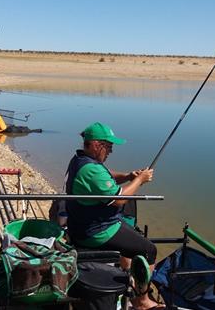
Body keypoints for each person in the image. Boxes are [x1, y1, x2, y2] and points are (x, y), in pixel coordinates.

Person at [65, 122, 164, 310]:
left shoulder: (80, 160)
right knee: (148, 249)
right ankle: (141, 302)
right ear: (96, 145)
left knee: (133, 236)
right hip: (95, 231)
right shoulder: (91, 170)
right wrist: (139, 181)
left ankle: (131, 282)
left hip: (89, 224)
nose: (110, 151)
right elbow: (119, 200)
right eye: (109, 146)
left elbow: (107, 175)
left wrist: (128, 176)